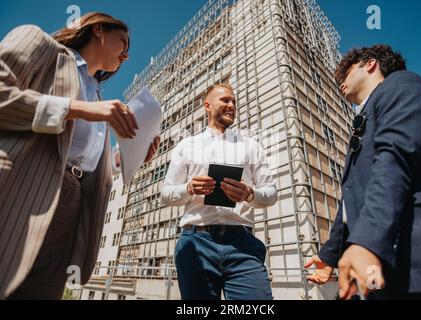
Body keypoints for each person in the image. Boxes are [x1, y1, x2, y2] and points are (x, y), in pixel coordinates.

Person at [0, 13, 160, 299]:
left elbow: (83, 157)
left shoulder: (98, 98)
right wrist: (76, 108)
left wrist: (130, 156)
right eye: (122, 42)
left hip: (72, 208)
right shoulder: (41, 45)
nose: (126, 55)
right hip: (22, 187)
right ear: (98, 29)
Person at [305, 45, 421, 299]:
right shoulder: (364, 118)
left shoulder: (402, 85)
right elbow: (349, 204)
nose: (341, 81)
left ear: (370, 64)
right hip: (378, 272)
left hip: (418, 264)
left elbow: (393, 162)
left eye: (346, 73)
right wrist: (329, 256)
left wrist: (367, 241)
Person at [161, 83, 277, 300]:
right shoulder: (187, 146)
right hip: (196, 243)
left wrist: (249, 194)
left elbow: (271, 193)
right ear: (207, 105)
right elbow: (166, 194)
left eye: (233, 101)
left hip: (243, 246)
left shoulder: (251, 146)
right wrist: (188, 188)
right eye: (225, 100)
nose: (231, 105)